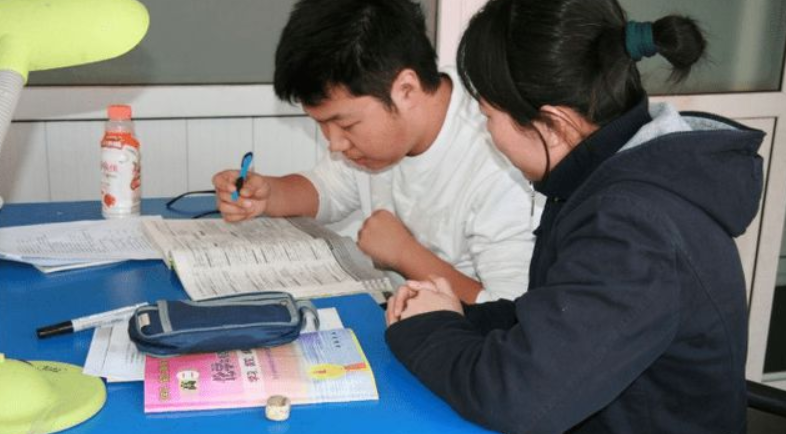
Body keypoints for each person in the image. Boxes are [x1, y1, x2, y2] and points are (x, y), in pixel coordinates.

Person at [385, 0, 764, 433]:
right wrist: (457, 316)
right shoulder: (611, 175)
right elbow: (561, 318)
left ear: (553, 125)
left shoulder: (634, 228)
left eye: (488, 116)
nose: (488, 133)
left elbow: (518, 398)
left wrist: (431, 329)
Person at [212, 0, 540, 303]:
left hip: (465, 334)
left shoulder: (498, 159)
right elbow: (328, 190)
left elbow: (510, 310)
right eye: (322, 125)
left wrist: (405, 255)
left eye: (345, 124)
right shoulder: (374, 142)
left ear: (406, 90)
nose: (335, 143)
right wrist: (269, 195)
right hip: (401, 314)